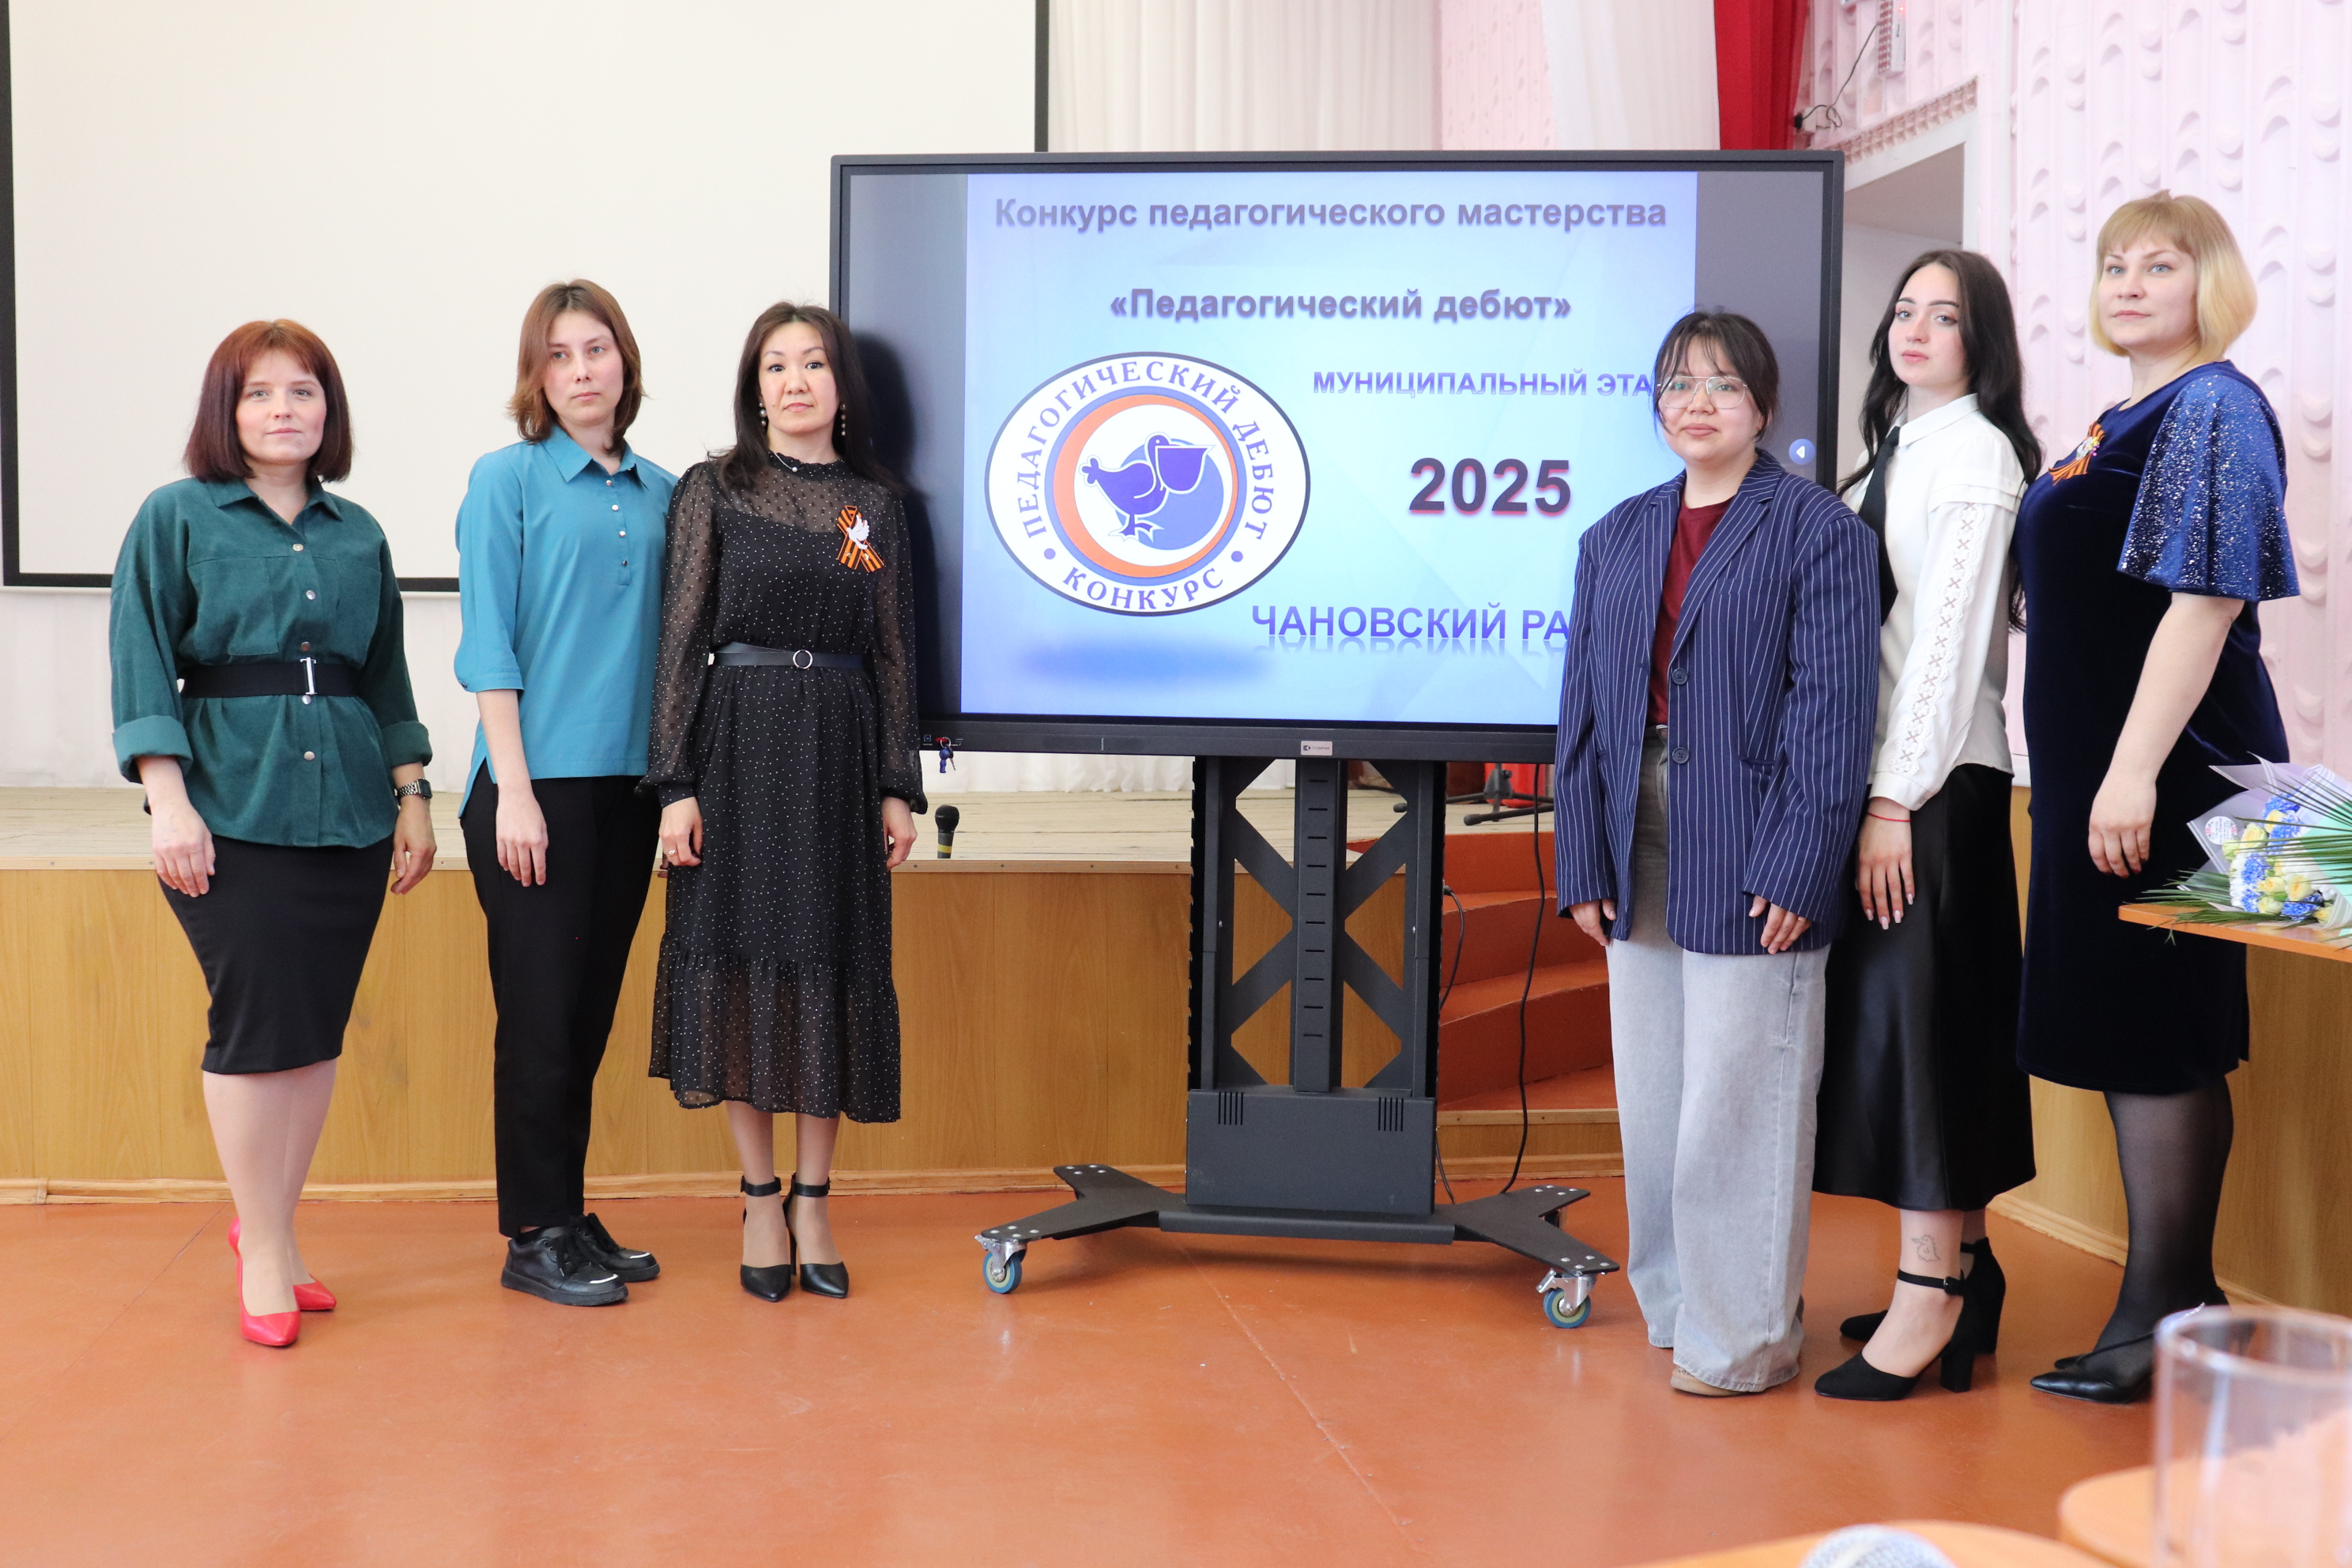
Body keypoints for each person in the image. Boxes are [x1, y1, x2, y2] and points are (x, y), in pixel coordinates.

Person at [1552, 311, 1879, 1396]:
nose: (1698, 402)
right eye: (1679, 384)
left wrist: (1802, 861)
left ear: (1764, 408)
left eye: (1724, 384)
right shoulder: (1614, 536)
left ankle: (1742, 1340)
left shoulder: (1817, 530)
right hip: (1629, 823)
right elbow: (1582, 713)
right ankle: (1677, 1306)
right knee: (1654, 1096)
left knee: (1741, 1092)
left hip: (1755, 827)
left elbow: (1834, 711)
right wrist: (1580, 857)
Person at [2016, 194, 2294, 1404]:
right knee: (2143, 1036)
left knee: (2162, 1040)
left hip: (2172, 776)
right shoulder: (2120, 418)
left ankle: (2160, 1316)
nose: (2129, 284)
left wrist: (2129, 772)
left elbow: (2208, 601)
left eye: (2160, 265)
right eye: (2114, 265)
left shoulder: (2214, 405)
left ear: (2208, 282)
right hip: (2107, 772)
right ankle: (2187, 1309)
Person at [110, 320, 434, 1348]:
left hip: (350, 807)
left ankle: (278, 1234)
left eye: (303, 391)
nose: (284, 410)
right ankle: (258, 1247)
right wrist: (168, 800)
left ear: (329, 410)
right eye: (260, 393)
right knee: (254, 1027)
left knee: (314, 1031)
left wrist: (414, 795)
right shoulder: (176, 516)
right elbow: (140, 656)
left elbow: (385, 674)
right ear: (227, 410)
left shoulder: (359, 533)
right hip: (228, 802)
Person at [643, 302, 924, 1302]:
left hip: (841, 751)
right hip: (738, 744)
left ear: (842, 386)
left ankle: (814, 1197)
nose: (795, 381)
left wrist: (898, 784)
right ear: (754, 387)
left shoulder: (873, 507)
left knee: (828, 962)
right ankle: (759, 1196)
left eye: (813, 363)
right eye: (775, 365)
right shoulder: (714, 489)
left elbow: (892, 650)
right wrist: (675, 786)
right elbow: (680, 644)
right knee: (740, 962)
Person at [1810, 251, 2041, 1401]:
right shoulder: (1892, 449)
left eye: (1945, 317)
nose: (1916, 329)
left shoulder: (1976, 454)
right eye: (1906, 309)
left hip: (1934, 788)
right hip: (1897, 786)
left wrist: (1893, 801)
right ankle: (1973, 1276)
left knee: (1924, 1044)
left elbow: (1947, 654)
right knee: (1930, 1033)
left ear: (1979, 341)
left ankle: (1927, 1294)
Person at [454, 281, 677, 1306]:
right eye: (559, 355)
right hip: (531, 791)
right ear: (536, 376)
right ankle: (533, 1233)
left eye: (597, 349)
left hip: (629, 790)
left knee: (586, 1019)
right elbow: (489, 644)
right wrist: (513, 788)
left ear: (624, 362)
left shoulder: (665, 493)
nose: (582, 370)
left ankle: (566, 1211)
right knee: (541, 1020)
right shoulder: (505, 480)